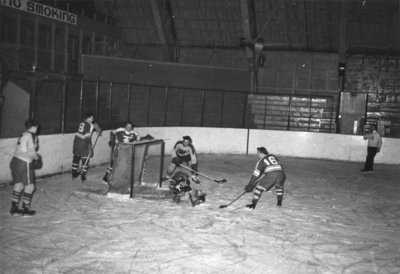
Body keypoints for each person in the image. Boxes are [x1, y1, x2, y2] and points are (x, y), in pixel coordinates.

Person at [9, 119, 40, 216]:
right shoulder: (32, 135)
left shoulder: (23, 134)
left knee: (19, 185)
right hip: (24, 163)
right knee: (30, 187)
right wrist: (37, 157)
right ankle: (26, 208)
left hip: (14, 161)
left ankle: (13, 209)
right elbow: (31, 151)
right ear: (34, 127)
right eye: (37, 127)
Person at [71, 113, 102, 182]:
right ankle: (83, 174)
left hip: (76, 141)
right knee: (85, 159)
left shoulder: (82, 122)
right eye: (92, 118)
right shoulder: (90, 125)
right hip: (83, 143)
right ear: (88, 118)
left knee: (76, 157)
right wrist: (90, 146)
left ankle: (74, 173)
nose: (93, 119)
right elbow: (87, 137)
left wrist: (97, 128)